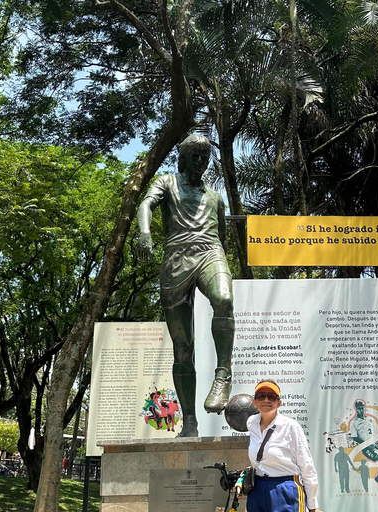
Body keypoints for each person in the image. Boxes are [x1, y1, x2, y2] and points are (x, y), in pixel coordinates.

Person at [136, 134, 235, 437]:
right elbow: (146, 203)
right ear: (183, 156)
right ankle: (189, 420)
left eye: (205, 156)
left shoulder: (216, 198)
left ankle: (223, 373)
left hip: (209, 250)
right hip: (176, 258)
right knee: (182, 348)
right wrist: (144, 233)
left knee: (224, 299)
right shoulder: (167, 183)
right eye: (196, 155)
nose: (201, 161)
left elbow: (224, 237)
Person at [241, 379, 321, 512]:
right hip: (257, 490)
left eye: (271, 397)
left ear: (279, 403)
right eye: (261, 396)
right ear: (254, 402)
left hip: (285, 490)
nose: (266, 400)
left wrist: (312, 505)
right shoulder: (251, 423)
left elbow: (306, 465)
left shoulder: (290, 427)